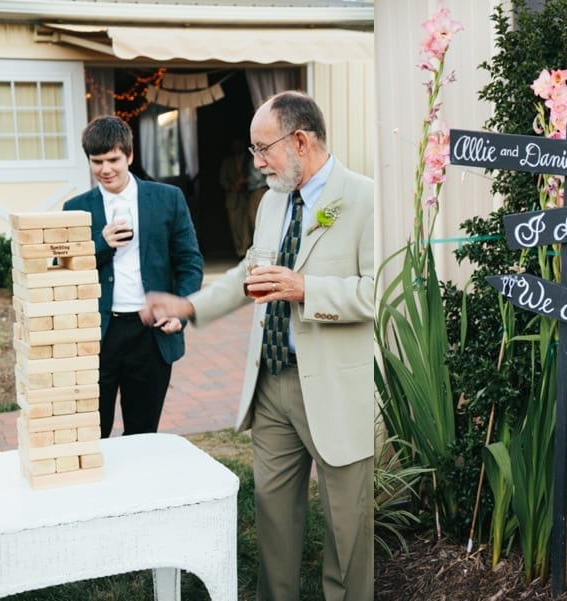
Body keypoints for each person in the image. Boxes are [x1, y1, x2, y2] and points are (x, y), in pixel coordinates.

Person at [141, 90, 374, 601]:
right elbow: (250, 273)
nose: (257, 161)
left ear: (300, 141)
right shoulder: (271, 201)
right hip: (270, 386)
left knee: (347, 530)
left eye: (261, 148)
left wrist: (305, 289)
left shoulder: (366, 199)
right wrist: (190, 306)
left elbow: (383, 294)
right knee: (273, 521)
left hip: (334, 389)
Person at [64, 115, 203, 439]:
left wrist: (180, 312)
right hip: (98, 335)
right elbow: (64, 269)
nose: (105, 169)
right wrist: (101, 245)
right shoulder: (76, 208)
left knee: (143, 434)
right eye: (97, 162)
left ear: (129, 156)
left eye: (113, 159)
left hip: (150, 333)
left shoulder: (168, 198)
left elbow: (190, 262)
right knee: (90, 434)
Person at [219, 137, 252, 259]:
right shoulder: (228, 161)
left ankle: (246, 251)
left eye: (240, 144)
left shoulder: (250, 159)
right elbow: (222, 178)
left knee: (246, 227)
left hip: (246, 197)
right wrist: (231, 187)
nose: (237, 147)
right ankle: (239, 251)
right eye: (235, 145)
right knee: (235, 227)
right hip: (233, 199)